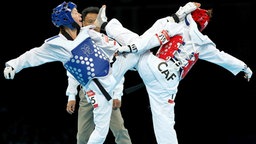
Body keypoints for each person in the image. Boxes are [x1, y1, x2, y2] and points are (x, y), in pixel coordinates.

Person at [91, 3, 253, 144]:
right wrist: (244, 67)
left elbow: (149, 40)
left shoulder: (177, 25)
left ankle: (106, 33)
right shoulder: (204, 44)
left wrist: (126, 48)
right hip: (168, 83)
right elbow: (222, 57)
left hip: (153, 66)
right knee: (165, 121)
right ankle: (106, 31)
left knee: (136, 46)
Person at [3, 1, 125, 144]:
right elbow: (33, 55)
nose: (80, 15)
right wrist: (13, 65)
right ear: (66, 17)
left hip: (112, 76)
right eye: (75, 12)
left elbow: (100, 31)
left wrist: (102, 20)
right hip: (98, 89)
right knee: (100, 133)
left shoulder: (85, 32)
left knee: (132, 54)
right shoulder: (58, 45)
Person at [65, 6, 132, 144]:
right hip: (86, 94)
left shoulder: (109, 43)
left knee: (120, 131)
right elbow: (73, 71)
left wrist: (117, 94)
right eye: (90, 21)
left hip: (107, 92)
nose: (93, 25)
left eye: (96, 21)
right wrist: (71, 96)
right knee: (82, 137)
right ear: (82, 23)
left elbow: (119, 68)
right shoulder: (76, 43)